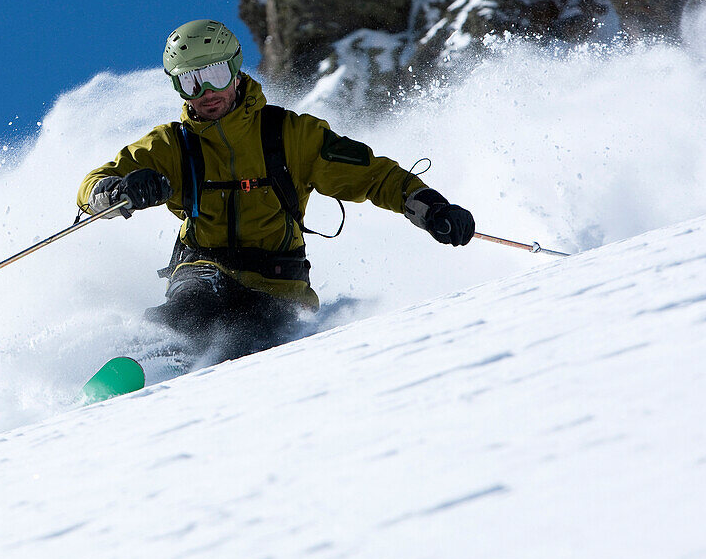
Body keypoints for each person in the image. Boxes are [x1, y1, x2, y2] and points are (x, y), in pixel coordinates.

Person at [77, 19, 474, 366]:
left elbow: (374, 176)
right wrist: (119, 190)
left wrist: (431, 208)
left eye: (215, 74)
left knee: (254, 333)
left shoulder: (290, 135)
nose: (207, 92)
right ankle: (144, 365)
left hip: (278, 286)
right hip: (201, 268)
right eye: (191, 81)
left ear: (235, 70)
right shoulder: (171, 145)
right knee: (191, 309)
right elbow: (94, 186)